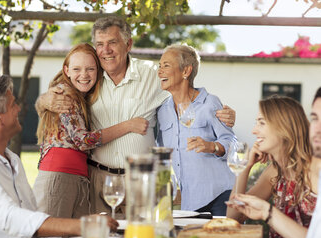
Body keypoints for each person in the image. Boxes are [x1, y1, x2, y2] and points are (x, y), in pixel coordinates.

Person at [35, 16, 237, 214]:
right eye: (100, 44)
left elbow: (184, 87)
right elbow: (65, 87)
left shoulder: (152, 74)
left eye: (112, 42)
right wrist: (43, 101)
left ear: (128, 44)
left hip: (142, 179)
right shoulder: (91, 77)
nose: (106, 50)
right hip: (99, 179)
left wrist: (221, 113)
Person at [0, 75, 118, 238]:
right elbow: (11, 218)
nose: (19, 108)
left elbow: (30, 214)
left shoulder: (11, 159)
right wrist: (84, 225)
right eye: (13, 104)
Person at [33, 43, 148, 219]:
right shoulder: (63, 93)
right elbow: (83, 140)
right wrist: (128, 126)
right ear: (67, 70)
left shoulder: (83, 96)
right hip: (59, 174)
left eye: (90, 69)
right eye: (77, 69)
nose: (84, 75)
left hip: (77, 176)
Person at [228, 87, 321, 238]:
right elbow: (234, 217)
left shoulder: (313, 171)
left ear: (283, 128)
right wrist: (246, 166)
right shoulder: (275, 172)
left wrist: (268, 212)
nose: (254, 130)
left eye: (261, 123)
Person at [156, 44, 236, 216]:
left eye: (166, 65)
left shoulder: (210, 103)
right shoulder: (162, 111)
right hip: (190, 201)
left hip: (220, 194)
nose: (160, 71)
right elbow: (161, 153)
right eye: (159, 66)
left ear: (186, 71)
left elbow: (232, 142)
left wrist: (212, 146)